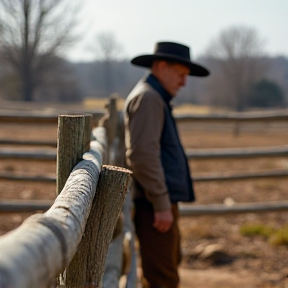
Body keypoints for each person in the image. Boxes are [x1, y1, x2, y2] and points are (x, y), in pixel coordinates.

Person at [123, 41, 210, 288]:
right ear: (162, 66)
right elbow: (142, 155)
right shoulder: (149, 99)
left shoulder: (152, 96)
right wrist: (160, 201)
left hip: (154, 199)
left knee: (165, 267)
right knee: (163, 276)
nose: (184, 82)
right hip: (152, 203)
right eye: (181, 74)